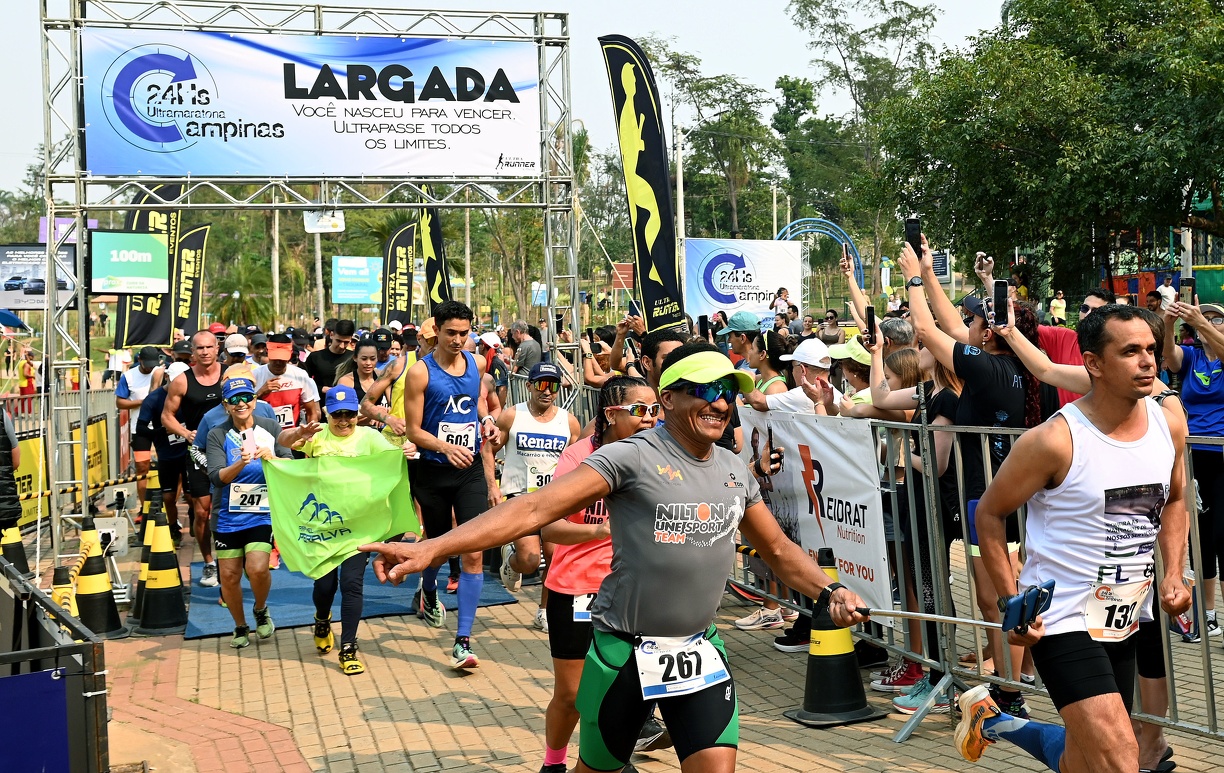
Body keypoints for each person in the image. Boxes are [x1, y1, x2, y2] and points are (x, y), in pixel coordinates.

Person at [359, 343, 868, 773]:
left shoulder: (735, 469)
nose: (720, 404)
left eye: (729, 392)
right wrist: (432, 546)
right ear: (667, 398)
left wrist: (830, 591)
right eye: (706, 391)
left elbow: (778, 550)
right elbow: (535, 507)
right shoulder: (633, 456)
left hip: (697, 652)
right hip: (623, 654)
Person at [957, 304, 1190, 773]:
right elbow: (991, 513)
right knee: (1121, 757)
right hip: (1060, 619)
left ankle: (994, 723)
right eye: (1130, 352)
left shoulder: (1169, 425)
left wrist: (1174, 572)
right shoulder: (1055, 441)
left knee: (1086, 759)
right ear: (1094, 364)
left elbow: (1175, 501)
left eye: (1150, 349)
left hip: (1124, 613)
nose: (1148, 361)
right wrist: (1011, 603)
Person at [899, 237, 1049, 717]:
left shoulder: (986, 370)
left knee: (997, 602)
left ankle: (1010, 693)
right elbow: (946, 324)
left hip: (990, 501)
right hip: (1005, 500)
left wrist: (913, 279)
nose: (968, 327)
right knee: (1002, 599)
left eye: (977, 322)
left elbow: (925, 326)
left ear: (992, 334)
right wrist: (930, 270)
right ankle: (1014, 680)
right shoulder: (1020, 370)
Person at [537, 375, 658, 773]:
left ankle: (607, 760)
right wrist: (601, 530)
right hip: (577, 589)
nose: (650, 419)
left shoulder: (658, 456)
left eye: (655, 410)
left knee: (622, 689)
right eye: (640, 411)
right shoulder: (577, 459)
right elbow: (549, 528)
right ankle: (554, 763)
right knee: (572, 694)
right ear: (611, 414)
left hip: (631, 589)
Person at [287, 386, 417, 674]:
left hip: (358, 527)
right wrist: (298, 435)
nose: (343, 420)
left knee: (351, 584)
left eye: (348, 414)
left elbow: (392, 457)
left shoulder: (369, 436)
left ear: (357, 414)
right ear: (327, 413)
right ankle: (322, 619)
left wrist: (406, 450)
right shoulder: (317, 433)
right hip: (323, 526)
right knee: (324, 586)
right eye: (337, 415)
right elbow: (283, 441)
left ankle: (348, 647)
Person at [402, 300, 500, 669]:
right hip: (433, 471)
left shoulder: (476, 364)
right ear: (437, 332)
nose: (459, 340)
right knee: (439, 548)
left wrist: (487, 423)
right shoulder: (420, 373)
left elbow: (475, 406)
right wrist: (445, 446)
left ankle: (463, 640)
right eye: (451, 333)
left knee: (472, 549)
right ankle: (428, 590)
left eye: (465, 333)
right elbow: (414, 430)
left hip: (469, 470)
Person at [205, 376, 296, 648]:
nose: (241, 403)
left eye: (246, 397)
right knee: (230, 577)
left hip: (262, 513)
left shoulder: (270, 426)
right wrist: (240, 464)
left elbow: (289, 464)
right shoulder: (217, 434)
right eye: (234, 399)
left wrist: (272, 458)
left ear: (255, 401)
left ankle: (260, 608)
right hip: (227, 518)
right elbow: (216, 477)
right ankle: (240, 626)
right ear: (226, 405)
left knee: (257, 568)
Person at [488, 362, 581, 630]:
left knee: (555, 558)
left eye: (552, 386)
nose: (547, 391)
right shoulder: (512, 416)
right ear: (529, 386)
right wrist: (492, 486)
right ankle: (512, 559)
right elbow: (488, 449)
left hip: (555, 499)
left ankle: (544, 611)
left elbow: (577, 460)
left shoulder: (569, 422)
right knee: (529, 562)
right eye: (540, 384)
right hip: (520, 497)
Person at [1162, 300, 1224, 638]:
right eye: (1204, 318)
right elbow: (1168, 355)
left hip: (1223, 456)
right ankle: (1206, 616)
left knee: (1223, 534)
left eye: (1218, 319)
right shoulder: (1192, 357)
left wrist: (1205, 323)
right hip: (1192, 456)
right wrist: (1169, 323)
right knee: (1199, 539)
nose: (1209, 324)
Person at [163, 331, 224, 587]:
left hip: (231, 450)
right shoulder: (181, 380)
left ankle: (235, 557)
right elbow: (167, 417)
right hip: (199, 451)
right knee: (202, 512)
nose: (205, 352)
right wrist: (186, 433)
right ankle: (209, 562)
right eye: (200, 348)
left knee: (233, 507)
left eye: (209, 347)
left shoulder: (232, 374)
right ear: (193, 351)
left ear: (217, 347)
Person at [116, 347, 165, 513]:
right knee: (142, 467)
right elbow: (120, 402)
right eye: (147, 365)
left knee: (167, 466)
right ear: (140, 360)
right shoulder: (128, 376)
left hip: (161, 427)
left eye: (153, 365)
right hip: (140, 428)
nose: (150, 368)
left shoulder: (162, 373)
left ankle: (164, 507)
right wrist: (143, 402)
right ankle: (145, 508)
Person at [252, 334, 321, 434]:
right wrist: (260, 392)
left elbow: (312, 413)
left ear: (290, 355)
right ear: (267, 352)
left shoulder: (300, 375)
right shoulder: (255, 375)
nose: (278, 363)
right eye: (275, 359)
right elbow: (243, 408)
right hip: (263, 438)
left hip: (292, 438)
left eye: (283, 359)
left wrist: (310, 435)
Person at [336, 338, 387, 429]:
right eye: (364, 359)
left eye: (372, 359)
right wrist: (376, 414)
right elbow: (342, 417)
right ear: (355, 358)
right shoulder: (346, 382)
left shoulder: (383, 376)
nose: (368, 363)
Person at [304, 319, 355, 397]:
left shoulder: (354, 358)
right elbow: (304, 382)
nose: (342, 346)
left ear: (351, 339)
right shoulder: (315, 357)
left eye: (346, 342)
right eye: (338, 341)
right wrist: (321, 389)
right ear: (331, 335)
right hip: (321, 404)